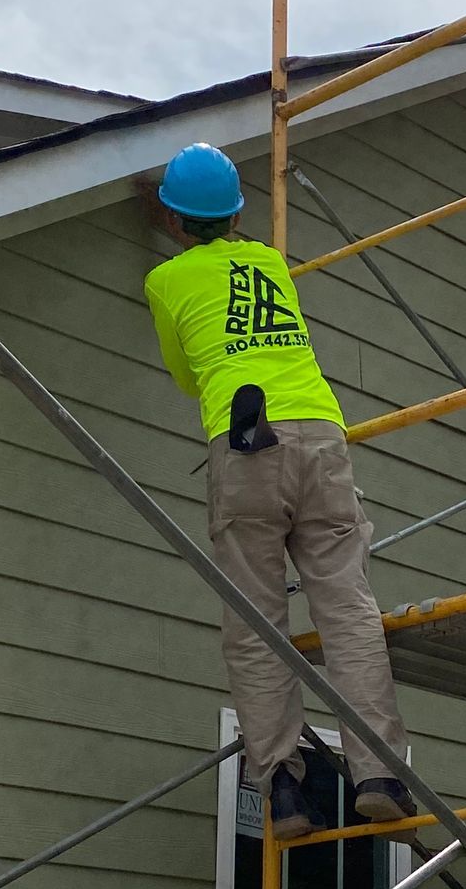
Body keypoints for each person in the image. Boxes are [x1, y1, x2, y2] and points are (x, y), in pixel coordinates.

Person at [141, 142, 415, 844]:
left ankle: (286, 788)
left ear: (172, 219)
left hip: (244, 440)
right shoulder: (269, 262)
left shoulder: (166, 281)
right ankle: (378, 775)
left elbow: (186, 374)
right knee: (348, 606)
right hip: (321, 435)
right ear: (236, 213)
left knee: (257, 621)